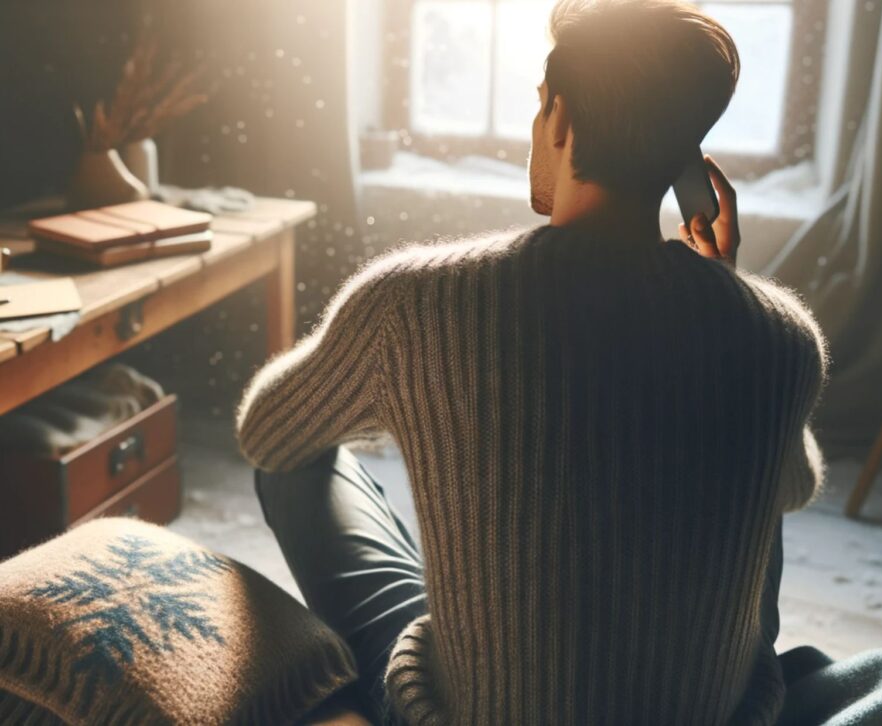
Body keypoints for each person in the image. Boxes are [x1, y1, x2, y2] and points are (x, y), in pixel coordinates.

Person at [236, 1, 828, 723]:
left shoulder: (416, 301)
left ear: (557, 119)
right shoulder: (781, 337)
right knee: (754, 469)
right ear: (686, 160)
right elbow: (792, 488)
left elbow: (266, 435)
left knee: (297, 462)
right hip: (711, 711)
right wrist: (727, 295)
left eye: (538, 106)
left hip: (462, 713)